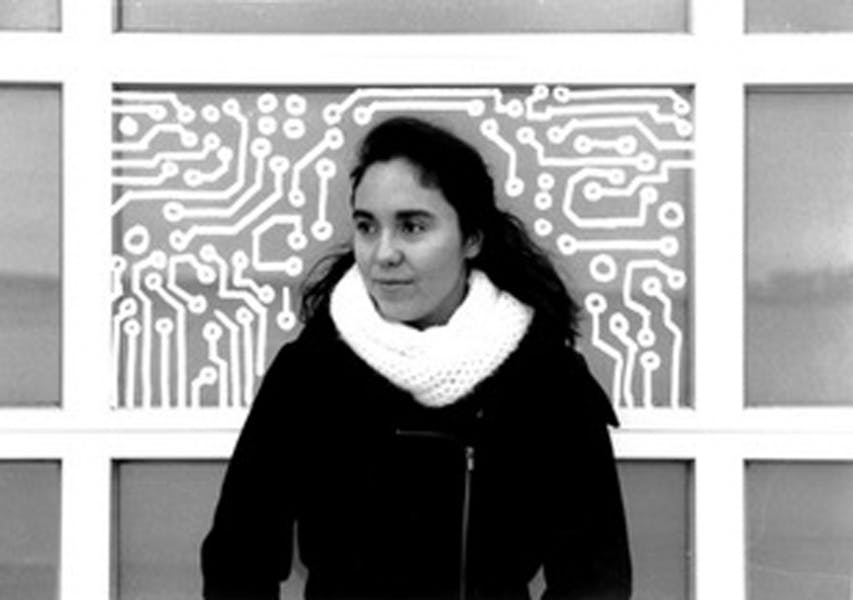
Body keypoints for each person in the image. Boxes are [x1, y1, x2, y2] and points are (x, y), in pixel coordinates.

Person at [201, 116, 632, 600]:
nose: (383, 254)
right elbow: (239, 560)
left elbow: (595, 577)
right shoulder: (310, 374)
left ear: (472, 237)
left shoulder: (547, 380)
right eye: (367, 227)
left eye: (412, 227)